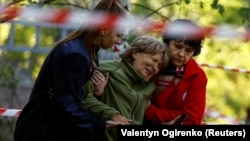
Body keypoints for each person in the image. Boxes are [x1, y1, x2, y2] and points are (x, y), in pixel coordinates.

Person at [13, 0, 127, 141]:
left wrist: (97, 92)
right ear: (103, 29)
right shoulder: (75, 56)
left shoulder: (85, 52)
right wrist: (100, 124)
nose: (118, 42)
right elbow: (67, 105)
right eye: (118, 35)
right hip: (43, 132)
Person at [83, 35, 169, 141]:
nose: (156, 67)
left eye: (159, 66)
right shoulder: (107, 70)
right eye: (154, 60)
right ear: (135, 53)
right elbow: (79, 97)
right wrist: (112, 114)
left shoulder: (149, 87)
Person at [144, 19, 208, 125]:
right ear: (167, 42)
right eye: (178, 46)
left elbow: (191, 120)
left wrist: (149, 111)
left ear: (194, 52)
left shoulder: (197, 76)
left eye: (188, 51)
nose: (182, 54)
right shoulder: (149, 61)